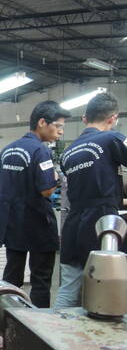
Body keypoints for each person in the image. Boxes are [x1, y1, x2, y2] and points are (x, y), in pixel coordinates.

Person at [0, 101, 70, 308]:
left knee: (12, 277)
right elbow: (46, 190)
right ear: (42, 122)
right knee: (41, 280)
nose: (60, 132)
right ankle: (38, 328)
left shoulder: (7, 150)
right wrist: (58, 178)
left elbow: (2, 184)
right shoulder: (41, 151)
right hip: (37, 224)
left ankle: (5, 316)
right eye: (58, 126)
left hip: (12, 223)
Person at [56, 92, 127, 308]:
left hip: (73, 224)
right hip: (104, 225)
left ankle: (55, 334)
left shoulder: (67, 152)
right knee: (108, 287)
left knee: (69, 289)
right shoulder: (113, 138)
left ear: (85, 118)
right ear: (113, 118)